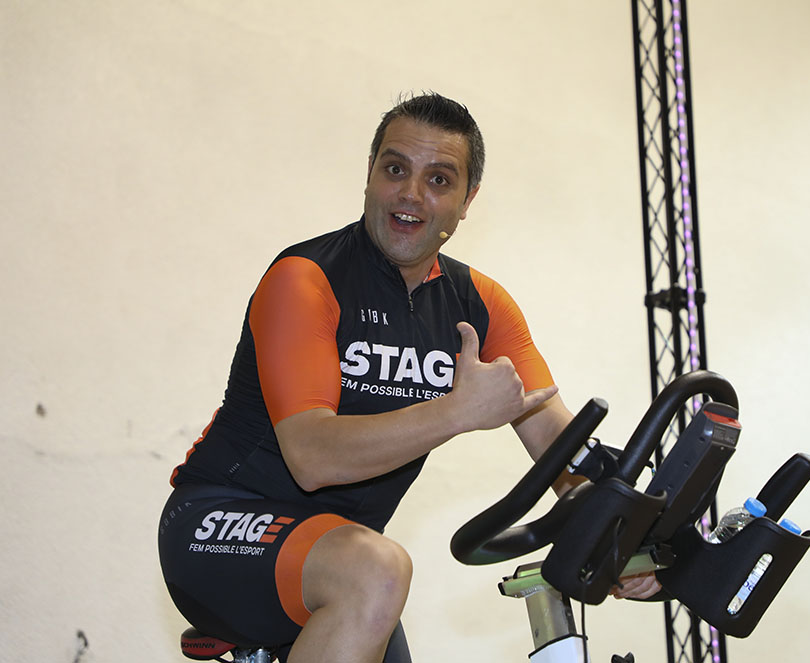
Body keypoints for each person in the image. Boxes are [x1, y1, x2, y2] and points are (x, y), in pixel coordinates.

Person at [158, 92, 659, 663]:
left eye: (439, 179)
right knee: (379, 569)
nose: (412, 194)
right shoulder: (305, 278)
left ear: (468, 201)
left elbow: (557, 443)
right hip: (218, 525)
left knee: (375, 572)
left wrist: (626, 540)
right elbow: (313, 456)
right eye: (395, 169)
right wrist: (456, 412)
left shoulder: (482, 304)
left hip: (342, 557)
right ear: (370, 174)